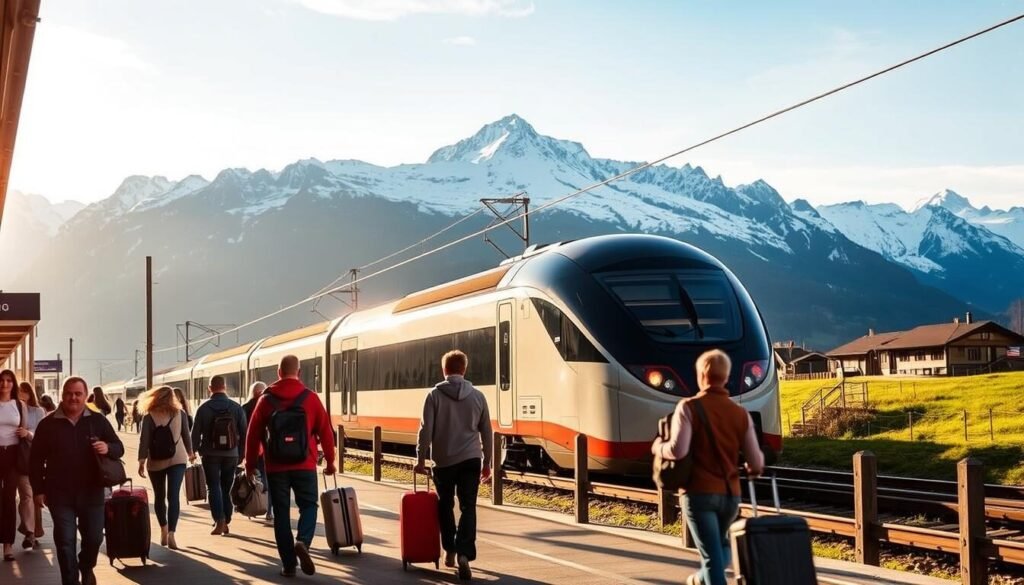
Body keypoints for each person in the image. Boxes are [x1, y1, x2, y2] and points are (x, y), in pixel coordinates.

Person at [651, 350, 764, 585]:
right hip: (730, 495)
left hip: (699, 493)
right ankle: (699, 580)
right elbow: (756, 462)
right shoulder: (740, 413)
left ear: (701, 375)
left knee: (712, 556)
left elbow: (678, 450)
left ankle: (703, 579)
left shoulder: (689, 407)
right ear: (726, 376)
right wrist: (749, 467)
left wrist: (658, 447)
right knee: (720, 548)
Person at [245, 355, 335, 577]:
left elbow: (252, 435)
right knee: (309, 505)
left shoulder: (266, 400)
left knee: (282, 513)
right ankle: (303, 541)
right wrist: (331, 461)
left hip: (276, 467)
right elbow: (326, 431)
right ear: (299, 372)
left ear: (278, 373)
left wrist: (250, 465)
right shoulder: (310, 398)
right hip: (305, 464)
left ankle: (288, 565)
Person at [30, 376, 124, 585]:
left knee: (94, 538)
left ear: (85, 395)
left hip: (92, 492)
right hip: (59, 494)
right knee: (65, 542)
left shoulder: (98, 421)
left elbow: (119, 447)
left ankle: (86, 566)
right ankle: (70, 581)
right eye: (69, 393)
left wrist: (108, 448)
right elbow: (35, 460)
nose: (73, 398)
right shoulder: (47, 424)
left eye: (78, 394)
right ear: (62, 395)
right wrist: (38, 490)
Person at [414, 350, 493, 581]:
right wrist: (487, 462)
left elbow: (426, 430)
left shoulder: (433, 396)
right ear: (464, 369)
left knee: (445, 505)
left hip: (444, 462)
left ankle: (449, 548)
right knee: (468, 506)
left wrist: (420, 459)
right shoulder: (478, 396)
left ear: (444, 370)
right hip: (471, 459)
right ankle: (464, 554)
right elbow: (487, 432)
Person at [137, 386, 196, 550]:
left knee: (159, 496)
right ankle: (171, 533)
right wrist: (190, 453)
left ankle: (163, 528)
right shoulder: (180, 413)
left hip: (156, 461)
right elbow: (186, 435)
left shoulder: (149, 416)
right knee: (173, 496)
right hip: (178, 459)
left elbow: (144, 440)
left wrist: (141, 461)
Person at [191, 375, 247, 536]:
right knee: (226, 487)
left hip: (210, 454)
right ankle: (226, 519)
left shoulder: (203, 408)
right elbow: (245, 433)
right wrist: (242, 454)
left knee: (213, 486)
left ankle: (219, 519)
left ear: (210, 388)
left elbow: (195, 433)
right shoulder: (236, 407)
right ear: (225, 387)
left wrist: (193, 451)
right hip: (231, 454)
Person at [15, 382, 46, 550]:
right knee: (26, 496)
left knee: (31, 496)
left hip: (31, 457)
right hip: (15, 458)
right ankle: (29, 531)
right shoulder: (13, 408)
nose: (21, 394)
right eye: (19, 391)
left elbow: (40, 436)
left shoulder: (38, 411)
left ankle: (32, 531)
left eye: (24, 391)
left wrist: (27, 433)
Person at [0, 369, 26, 561]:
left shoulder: (19, 405)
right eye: (2, 380)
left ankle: (8, 545)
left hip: (14, 455)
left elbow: (28, 429)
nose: (5, 384)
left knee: (9, 498)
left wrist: (26, 433)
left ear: (13, 383)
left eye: (9, 380)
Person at [242, 381, 272, 521]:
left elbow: (243, 432)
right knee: (267, 480)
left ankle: (252, 506)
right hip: (267, 450)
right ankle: (269, 510)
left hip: (251, 449)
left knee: (251, 478)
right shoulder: (269, 406)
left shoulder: (245, 408)